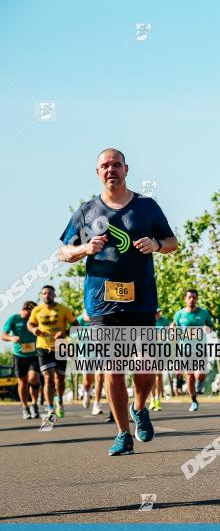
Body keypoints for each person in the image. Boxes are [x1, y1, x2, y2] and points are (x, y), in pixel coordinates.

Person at [58, 148, 178, 455]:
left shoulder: (147, 206)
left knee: (145, 363)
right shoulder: (86, 211)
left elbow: (173, 242)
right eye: (104, 165)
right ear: (97, 172)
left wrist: (156, 244)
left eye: (116, 164)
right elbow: (63, 253)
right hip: (101, 304)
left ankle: (140, 408)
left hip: (141, 301)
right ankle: (123, 433)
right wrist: (85, 249)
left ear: (126, 169)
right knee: (112, 368)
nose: (111, 169)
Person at [27, 285, 76, 422]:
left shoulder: (63, 309)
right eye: (44, 293)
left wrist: (64, 333)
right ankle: (50, 409)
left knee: (59, 379)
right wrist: (34, 330)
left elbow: (76, 325)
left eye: (49, 293)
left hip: (61, 347)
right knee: (48, 378)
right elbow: (30, 324)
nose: (47, 295)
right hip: (43, 347)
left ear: (54, 295)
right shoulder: (37, 310)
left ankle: (59, 401)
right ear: (41, 295)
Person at [173, 289, 214, 412]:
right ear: (185, 299)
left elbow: (211, 327)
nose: (192, 299)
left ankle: (199, 383)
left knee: (200, 374)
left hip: (200, 349)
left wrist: (208, 329)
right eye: (189, 297)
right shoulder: (179, 314)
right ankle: (194, 401)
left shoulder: (204, 313)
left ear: (197, 299)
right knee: (190, 377)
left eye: (194, 297)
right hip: (185, 350)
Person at [2, 301, 41, 419]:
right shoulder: (13, 318)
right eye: (29, 313)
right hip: (19, 355)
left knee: (34, 378)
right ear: (24, 310)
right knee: (22, 382)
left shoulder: (35, 320)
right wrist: (11, 338)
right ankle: (25, 407)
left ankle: (34, 404)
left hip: (34, 354)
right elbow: (3, 335)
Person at [150, 309, 171, 411]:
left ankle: (158, 399)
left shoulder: (165, 321)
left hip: (161, 350)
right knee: (151, 375)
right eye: (155, 311)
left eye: (158, 311)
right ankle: (152, 398)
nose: (157, 313)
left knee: (159, 374)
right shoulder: (148, 320)